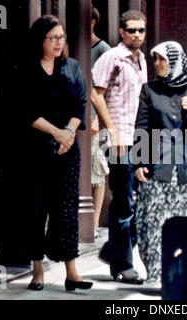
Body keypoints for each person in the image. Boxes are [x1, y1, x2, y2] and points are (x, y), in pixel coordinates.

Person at [20, 15, 93, 292]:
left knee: (66, 211)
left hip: (67, 151)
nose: (59, 43)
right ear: (40, 40)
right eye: (53, 38)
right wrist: (57, 132)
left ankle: (71, 271)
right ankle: (37, 270)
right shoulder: (27, 70)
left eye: (62, 37)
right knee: (36, 209)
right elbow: (27, 112)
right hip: (36, 150)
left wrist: (69, 133)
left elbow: (80, 103)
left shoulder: (72, 67)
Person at [134, 41, 187, 286]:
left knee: (185, 222)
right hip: (158, 168)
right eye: (155, 59)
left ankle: (181, 274)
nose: (158, 64)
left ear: (175, 61)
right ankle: (155, 274)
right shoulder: (149, 90)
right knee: (153, 222)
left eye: (163, 59)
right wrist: (138, 162)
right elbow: (142, 126)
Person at [90, 10, 148, 284]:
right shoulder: (111, 57)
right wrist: (111, 129)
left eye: (141, 30)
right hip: (118, 140)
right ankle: (123, 266)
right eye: (132, 30)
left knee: (143, 200)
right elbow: (95, 93)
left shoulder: (141, 60)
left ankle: (113, 251)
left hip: (139, 139)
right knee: (124, 200)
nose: (137, 35)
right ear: (122, 32)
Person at [90, 5, 111, 238]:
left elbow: (105, 87)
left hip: (94, 116)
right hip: (74, 116)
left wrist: (98, 116)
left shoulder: (102, 49)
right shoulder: (67, 46)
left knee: (97, 168)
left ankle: (94, 223)